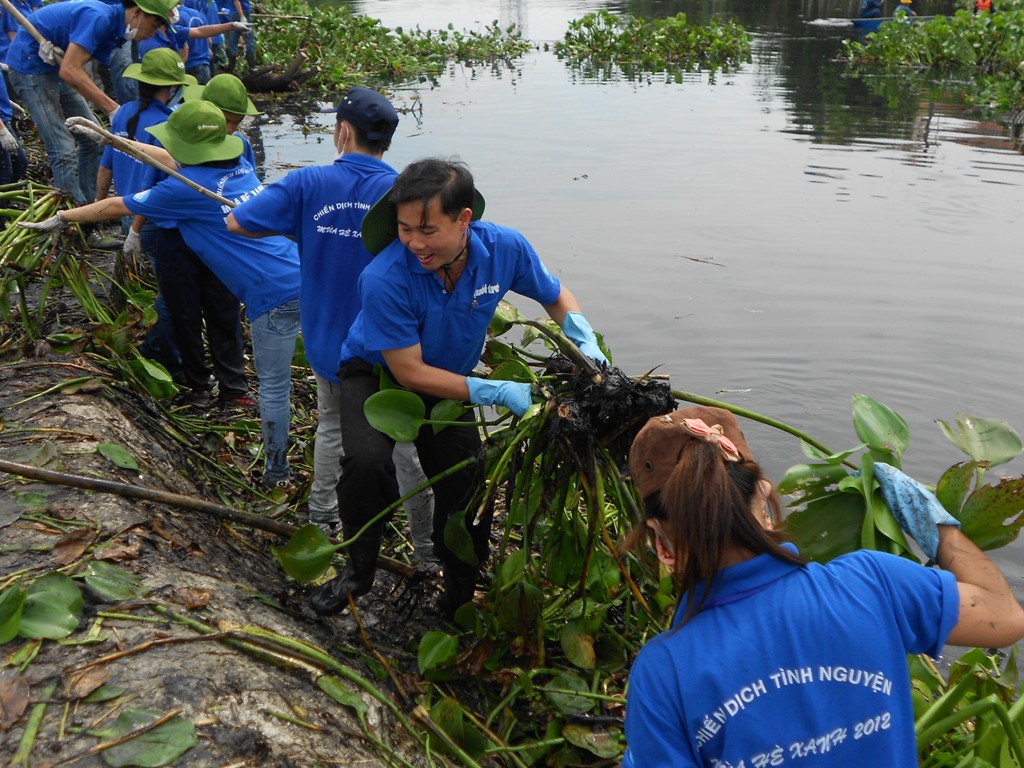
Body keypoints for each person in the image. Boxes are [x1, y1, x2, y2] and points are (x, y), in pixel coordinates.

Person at [620, 405, 1024, 768]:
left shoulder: (662, 676)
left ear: (660, 543)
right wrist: (933, 522)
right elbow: (1005, 617)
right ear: (764, 497)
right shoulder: (874, 582)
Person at [304, 157, 609, 618]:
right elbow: (407, 372)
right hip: (376, 372)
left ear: (464, 218)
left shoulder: (505, 248)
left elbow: (553, 294)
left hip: (449, 378)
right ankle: (359, 569)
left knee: (466, 481)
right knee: (367, 464)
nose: (415, 243)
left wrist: (583, 336)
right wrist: (494, 391)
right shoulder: (385, 277)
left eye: (428, 231)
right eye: (405, 229)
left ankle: (459, 589)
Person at [25, 100, 300, 489]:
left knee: (274, 388)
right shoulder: (236, 166)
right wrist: (111, 139)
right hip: (301, 273)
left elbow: (116, 204)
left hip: (273, 296)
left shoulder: (182, 192)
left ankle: (276, 474)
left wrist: (62, 217)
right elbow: (171, 156)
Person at [226, 87, 436, 555]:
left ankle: (323, 519)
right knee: (404, 442)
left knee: (332, 426)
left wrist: (296, 222)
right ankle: (426, 550)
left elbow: (238, 223)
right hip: (397, 347)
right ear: (387, 140)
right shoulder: (406, 193)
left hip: (328, 342)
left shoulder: (306, 185)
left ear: (343, 131)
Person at [5, 0, 176, 204]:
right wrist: (112, 108)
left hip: (53, 67)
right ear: (137, 13)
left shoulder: (115, 31)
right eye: (154, 26)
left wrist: (64, 50)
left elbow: (72, 68)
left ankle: (89, 203)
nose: (153, 33)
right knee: (63, 148)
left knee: (94, 138)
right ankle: (70, 215)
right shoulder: (99, 17)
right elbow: (70, 70)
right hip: (30, 68)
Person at [0, 72, 26, 185]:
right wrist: (2, 131)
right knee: (4, 173)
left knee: (19, 164)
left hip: (3, 119)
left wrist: (6, 102)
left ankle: (7, 200)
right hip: (1, 125)